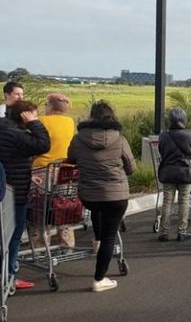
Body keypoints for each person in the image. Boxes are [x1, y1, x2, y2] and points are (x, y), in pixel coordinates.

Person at [67, 101, 134, 292]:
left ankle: (97, 240)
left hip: (89, 196)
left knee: (97, 210)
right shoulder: (119, 139)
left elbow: (71, 159)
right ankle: (99, 278)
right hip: (116, 196)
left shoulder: (78, 139)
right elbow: (131, 167)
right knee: (109, 237)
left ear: (91, 117)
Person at [0, 101, 51, 291]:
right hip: (14, 192)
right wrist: (34, 123)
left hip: (8, 184)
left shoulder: (4, 128)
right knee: (13, 236)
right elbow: (44, 144)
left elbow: (10, 159)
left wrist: (29, 174)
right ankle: (8, 277)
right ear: (25, 116)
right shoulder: (17, 134)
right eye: (34, 115)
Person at [31, 93, 76, 249]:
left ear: (50, 106)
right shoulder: (70, 122)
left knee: (41, 209)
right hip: (65, 170)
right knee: (64, 207)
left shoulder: (41, 121)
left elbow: (34, 145)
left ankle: (40, 246)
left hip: (43, 169)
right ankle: (67, 243)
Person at [156, 108, 191, 242]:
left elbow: (161, 151)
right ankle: (182, 231)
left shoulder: (164, 135)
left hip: (168, 172)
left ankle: (164, 231)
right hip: (185, 172)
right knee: (184, 201)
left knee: (167, 202)